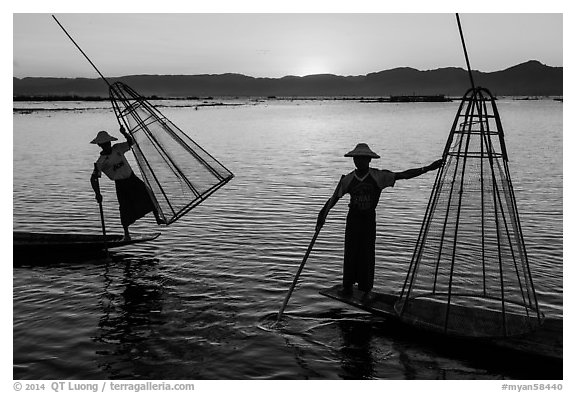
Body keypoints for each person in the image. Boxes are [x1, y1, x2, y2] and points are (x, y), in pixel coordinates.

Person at [316, 143, 442, 298]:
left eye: (362, 159)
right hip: (353, 221)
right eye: (357, 159)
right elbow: (334, 198)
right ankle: (347, 286)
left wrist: (427, 168)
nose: (359, 161)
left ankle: (366, 290)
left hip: (368, 220)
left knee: (367, 254)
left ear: (369, 160)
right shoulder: (348, 179)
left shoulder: (378, 176)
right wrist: (323, 214)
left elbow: (403, 175)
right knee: (350, 253)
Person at [90, 126, 163, 240]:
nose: (107, 146)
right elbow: (93, 178)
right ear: (100, 145)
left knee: (149, 194)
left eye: (107, 143)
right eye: (104, 144)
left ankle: (157, 218)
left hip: (131, 178)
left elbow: (131, 142)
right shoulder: (101, 162)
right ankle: (127, 234)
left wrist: (125, 133)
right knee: (124, 208)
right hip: (121, 184)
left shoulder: (117, 148)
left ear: (110, 142)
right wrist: (97, 193)